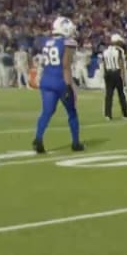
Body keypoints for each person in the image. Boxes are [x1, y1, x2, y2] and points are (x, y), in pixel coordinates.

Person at [33, 16, 84, 154]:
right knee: (72, 112)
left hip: (46, 79)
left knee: (46, 112)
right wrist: (70, 86)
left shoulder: (46, 41)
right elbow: (66, 66)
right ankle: (75, 143)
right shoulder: (68, 42)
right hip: (60, 81)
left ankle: (38, 138)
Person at [101, 33, 127, 119]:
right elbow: (121, 64)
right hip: (116, 73)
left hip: (108, 73)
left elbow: (104, 64)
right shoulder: (119, 50)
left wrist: (105, 74)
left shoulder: (105, 51)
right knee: (121, 94)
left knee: (108, 95)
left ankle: (108, 114)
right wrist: (123, 77)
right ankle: (125, 114)